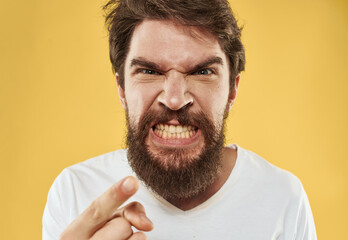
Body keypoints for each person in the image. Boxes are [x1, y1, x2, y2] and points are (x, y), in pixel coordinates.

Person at [43, 0, 317, 239]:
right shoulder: (74, 193)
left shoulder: (282, 197)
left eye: (203, 72)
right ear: (122, 89)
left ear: (233, 89)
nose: (174, 99)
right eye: (149, 70)